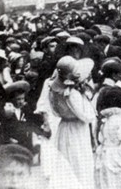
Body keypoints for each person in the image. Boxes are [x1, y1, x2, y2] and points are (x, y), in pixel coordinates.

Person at [49, 56, 96, 188]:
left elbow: (55, 111)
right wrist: (85, 98)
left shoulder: (54, 90)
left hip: (64, 126)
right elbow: (87, 116)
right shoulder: (71, 93)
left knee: (66, 159)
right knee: (78, 162)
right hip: (77, 129)